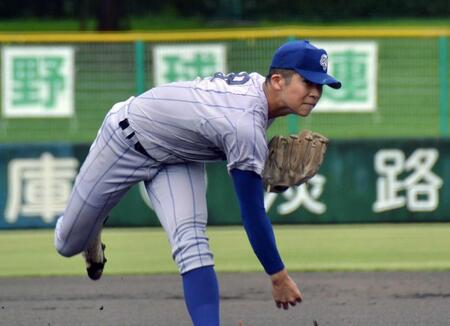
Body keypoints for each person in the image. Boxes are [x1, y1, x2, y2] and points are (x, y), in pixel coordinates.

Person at [54, 39, 341, 325]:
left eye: (321, 86)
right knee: (67, 244)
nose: (315, 93)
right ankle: (91, 234)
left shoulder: (258, 94)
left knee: (192, 244)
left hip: (179, 157)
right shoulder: (245, 122)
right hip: (125, 140)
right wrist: (278, 275)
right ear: (278, 80)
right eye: (308, 83)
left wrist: (261, 173)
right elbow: (252, 213)